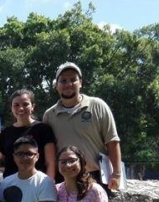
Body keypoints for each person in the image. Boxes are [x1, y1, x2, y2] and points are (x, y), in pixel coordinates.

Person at [42, 62, 122, 191]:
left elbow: (112, 141)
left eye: (73, 79)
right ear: (56, 85)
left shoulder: (98, 106)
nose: (68, 84)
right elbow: (48, 152)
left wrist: (117, 174)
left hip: (95, 176)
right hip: (63, 178)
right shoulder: (49, 115)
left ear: (81, 83)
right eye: (63, 80)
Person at [0, 89, 56, 179]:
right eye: (16, 105)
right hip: (12, 186)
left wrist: (50, 185)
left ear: (33, 106)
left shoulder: (43, 129)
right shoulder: (5, 133)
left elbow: (50, 163)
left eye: (25, 104)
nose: (21, 108)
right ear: (11, 108)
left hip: (37, 184)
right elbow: (2, 163)